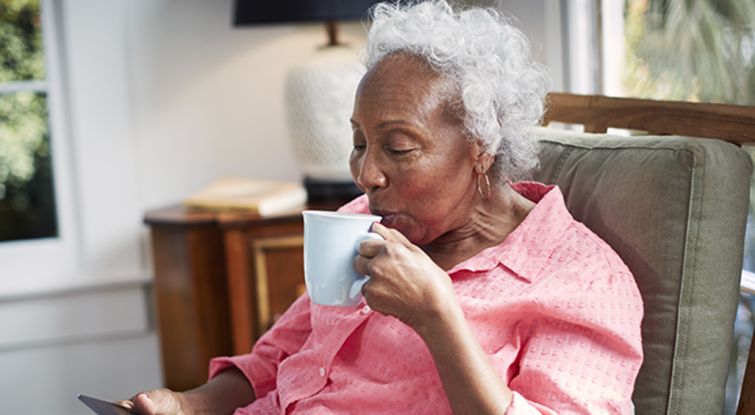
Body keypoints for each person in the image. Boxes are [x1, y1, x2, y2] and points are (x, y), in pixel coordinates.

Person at [121, 1, 643, 414]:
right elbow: (277, 359)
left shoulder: (580, 281)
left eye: (398, 147)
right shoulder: (358, 223)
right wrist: (186, 405)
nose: (367, 174)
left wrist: (438, 318)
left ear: (482, 147)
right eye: (359, 143)